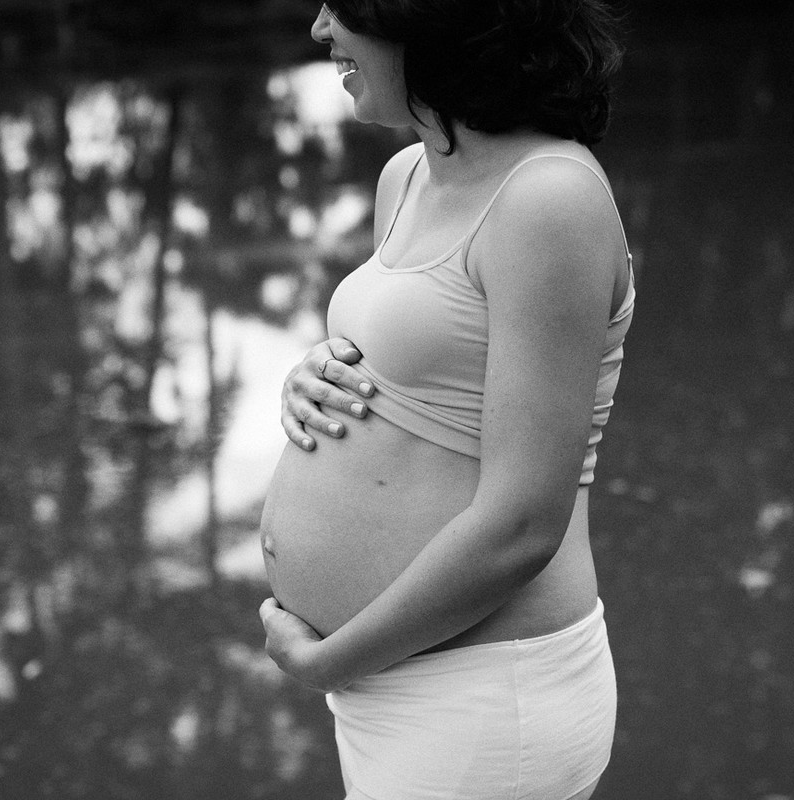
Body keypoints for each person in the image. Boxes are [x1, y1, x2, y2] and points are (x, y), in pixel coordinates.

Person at [258, 1, 633, 797]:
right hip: (397, 687)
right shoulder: (409, 175)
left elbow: (523, 524)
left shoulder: (549, 199)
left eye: (343, 7)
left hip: (486, 696)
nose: (322, 30)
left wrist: (333, 661)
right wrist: (318, 372)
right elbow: (433, 367)